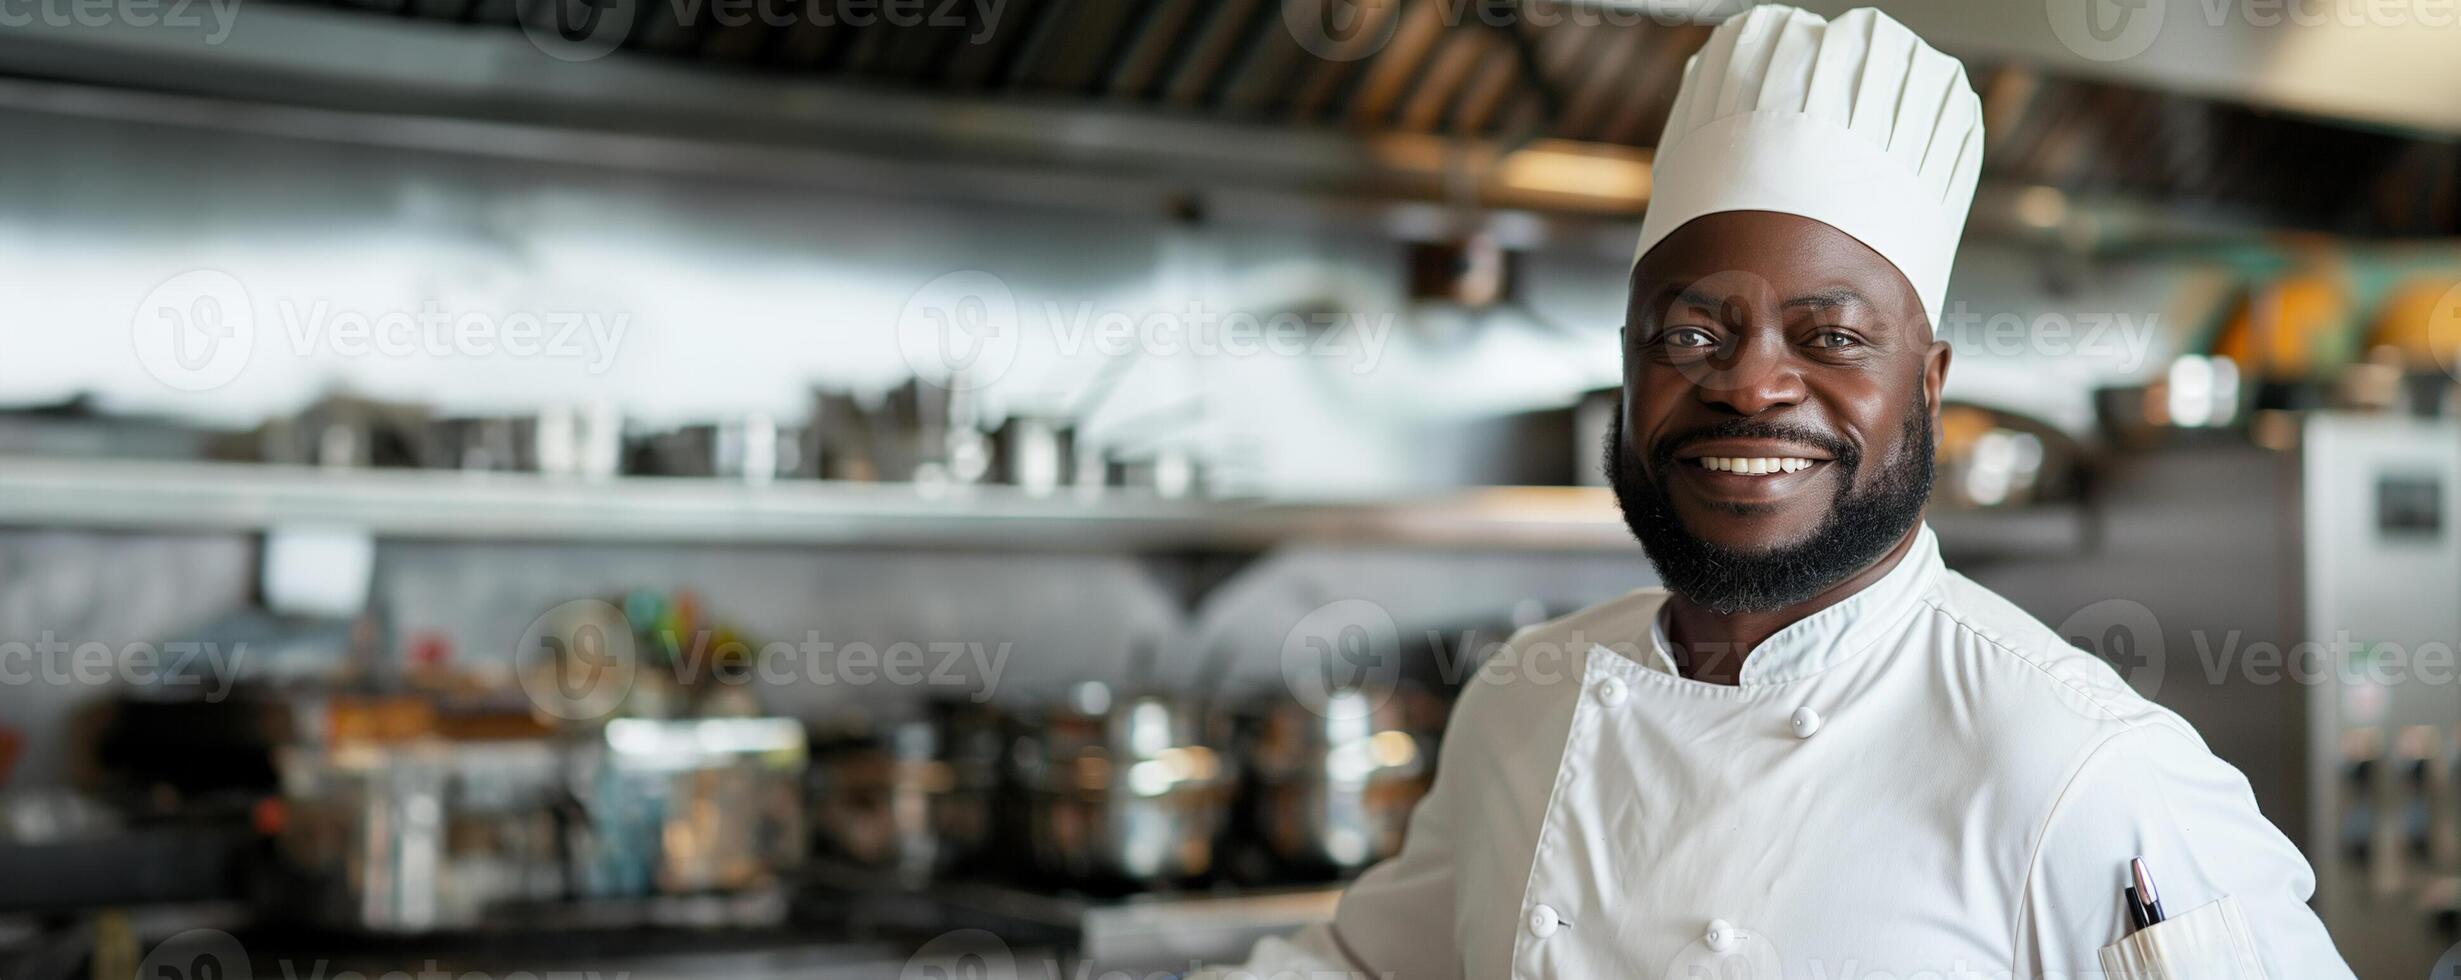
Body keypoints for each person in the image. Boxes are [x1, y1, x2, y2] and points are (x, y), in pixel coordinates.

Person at [1196, 6, 2354, 978]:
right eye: (1692, 328)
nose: (1750, 383)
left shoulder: (2080, 769)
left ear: (1929, 383)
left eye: (1831, 333)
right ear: (1627, 366)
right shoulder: (1522, 700)